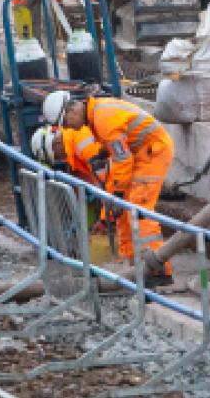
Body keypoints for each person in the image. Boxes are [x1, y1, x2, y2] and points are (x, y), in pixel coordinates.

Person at [43, 90, 174, 279]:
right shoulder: (96, 115)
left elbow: (123, 159)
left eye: (65, 123)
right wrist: (104, 153)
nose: (68, 128)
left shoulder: (102, 119)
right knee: (124, 212)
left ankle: (158, 270)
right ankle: (137, 267)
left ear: (71, 111)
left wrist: (118, 193)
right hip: (141, 152)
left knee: (139, 210)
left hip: (152, 152)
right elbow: (119, 145)